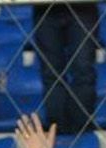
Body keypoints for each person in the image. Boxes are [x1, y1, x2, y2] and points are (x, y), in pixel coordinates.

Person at [31, 1, 98, 134]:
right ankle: (57, 131)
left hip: (83, 8)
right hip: (45, 8)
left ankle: (81, 130)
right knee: (52, 74)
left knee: (83, 71)